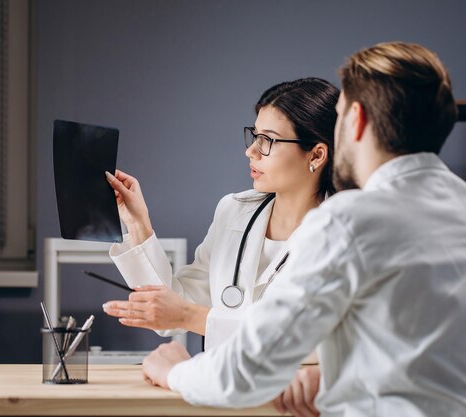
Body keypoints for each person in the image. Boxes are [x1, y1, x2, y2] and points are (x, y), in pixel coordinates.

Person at [141, 42, 466, 417]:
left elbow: (245, 372)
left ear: (357, 121)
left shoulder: (349, 220)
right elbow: (441, 356)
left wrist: (173, 370)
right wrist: (334, 375)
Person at [102, 78, 339, 415]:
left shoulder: (345, 234)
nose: (251, 151)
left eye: (268, 141)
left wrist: (188, 317)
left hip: (290, 407)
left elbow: (300, 340)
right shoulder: (234, 211)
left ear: (316, 154)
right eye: (254, 136)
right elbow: (172, 309)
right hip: (219, 400)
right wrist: (139, 225)